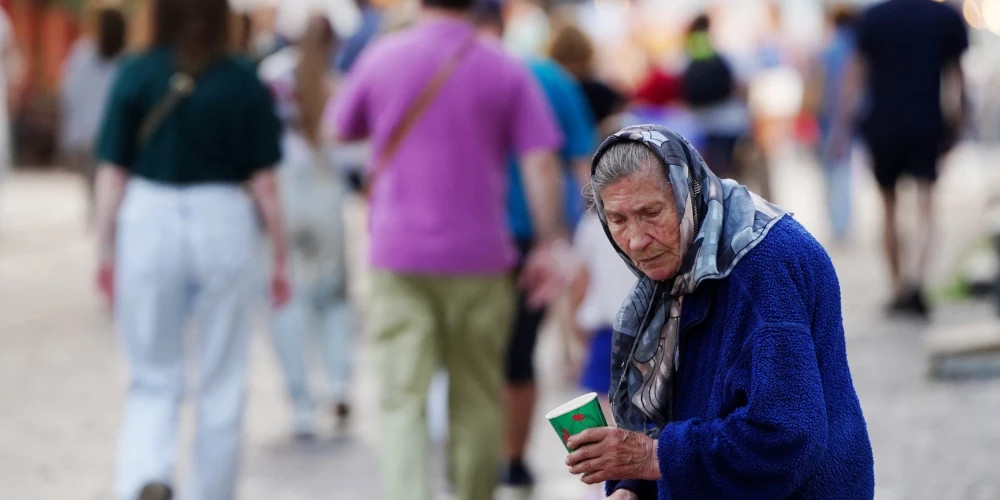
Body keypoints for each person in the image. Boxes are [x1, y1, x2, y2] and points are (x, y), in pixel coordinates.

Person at [326, 0, 567, 498]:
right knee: (478, 396)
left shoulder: (383, 55)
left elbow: (339, 127)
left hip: (398, 255)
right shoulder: (504, 66)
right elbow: (540, 163)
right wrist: (547, 243)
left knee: (401, 400)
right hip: (482, 258)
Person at [562, 125, 874, 499]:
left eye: (651, 212)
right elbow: (668, 412)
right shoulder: (675, 271)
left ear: (687, 192)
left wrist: (651, 458)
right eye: (618, 220)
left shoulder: (762, 265)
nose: (636, 240)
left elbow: (786, 436)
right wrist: (633, 487)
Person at [93, 0, 288, 498]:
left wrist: (104, 251)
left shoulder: (137, 71)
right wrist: (281, 257)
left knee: (151, 372)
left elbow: (112, 174)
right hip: (223, 214)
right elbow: (265, 181)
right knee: (222, 376)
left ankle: (146, 473)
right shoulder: (243, 77)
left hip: (149, 215)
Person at [474, 3, 595, 489]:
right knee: (519, 351)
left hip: (473, 239)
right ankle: (513, 458)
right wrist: (584, 232)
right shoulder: (552, 78)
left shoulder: (458, 78)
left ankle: (479, 451)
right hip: (532, 238)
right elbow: (581, 163)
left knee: (476, 352)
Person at [831, 0, 968, 318]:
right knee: (926, 204)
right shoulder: (945, 17)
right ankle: (919, 280)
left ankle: (897, 286)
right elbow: (956, 78)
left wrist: (843, 126)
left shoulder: (873, 18)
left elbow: (856, 74)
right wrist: (958, 123)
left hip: (883, 125)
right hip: (927, 123)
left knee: (888, 207)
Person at [259, 14, 354, 439]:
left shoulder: (270, 75)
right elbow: (354, 150)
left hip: (283, 195)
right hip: (325, 193)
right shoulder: (338, 81)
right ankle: (336, 381)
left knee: (286, 297)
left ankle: (301, 400)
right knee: (333, 297)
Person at [60, 7, 127, 223]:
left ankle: (100, 224)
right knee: (111, 194)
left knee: (95, 192)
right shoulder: (127, 63)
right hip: (113, 137)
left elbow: (69, 93)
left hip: (85, 137)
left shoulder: (81, 53)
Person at [803, 6, 857, 243]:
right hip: (847, 120)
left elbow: (813, 86)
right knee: (843, 173)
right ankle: (842, 223)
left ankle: (836, 223)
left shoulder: (826, 51)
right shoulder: (855, 50)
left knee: (828, 174)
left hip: (824, 120)